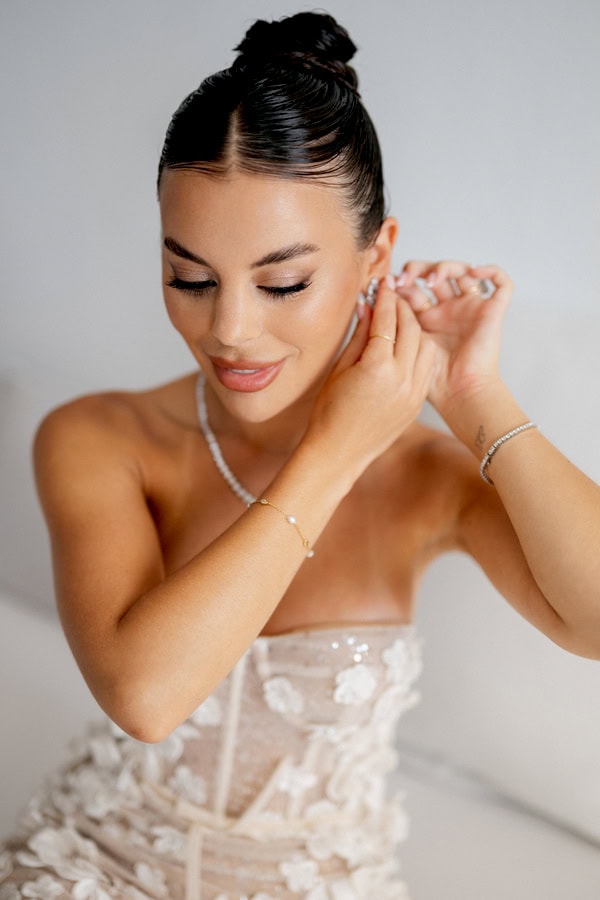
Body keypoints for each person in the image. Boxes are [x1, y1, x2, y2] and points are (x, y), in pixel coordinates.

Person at [2, 10, 600, 900]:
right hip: (98, 869)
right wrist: (333, 450)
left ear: (375, 258)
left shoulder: (428, 478)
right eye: (190, 277)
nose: (230, 330)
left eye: (283, 283)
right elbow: (145, 696)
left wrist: (477, 400)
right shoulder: (96, 439)